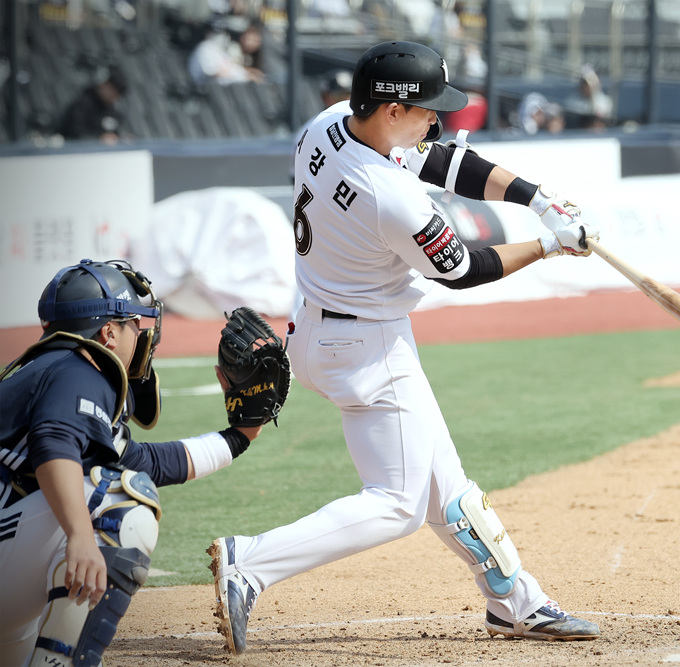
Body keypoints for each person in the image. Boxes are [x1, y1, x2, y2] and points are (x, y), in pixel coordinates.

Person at [208, 40, 601, 655]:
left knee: (445, 483)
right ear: (391, 111)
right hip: (367, 349)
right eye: (424, 108)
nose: (436, 119)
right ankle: (250, 563)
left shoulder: (331, 122)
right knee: (397, 504)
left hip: (317, 326)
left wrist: (536, 198)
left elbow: (440, 160)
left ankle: (515, 599)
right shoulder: (390, 198)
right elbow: (463, 269)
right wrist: (551, 245)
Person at [0, 259, 266, 666]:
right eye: (134, 326)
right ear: (108, 332)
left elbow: (141, 461)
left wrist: (238, 438)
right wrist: (79, 535)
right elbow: (53, 443)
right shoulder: (79, 371)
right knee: (122, 507)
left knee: (112, 482)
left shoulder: (47, 368)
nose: (141, 336)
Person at [58, 66, 128, 145]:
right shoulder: (82, 105)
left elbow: (114, 132)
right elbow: (75, 134)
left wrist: (122, 139)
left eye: (117, 95)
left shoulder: (112, 110)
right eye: (113, 91)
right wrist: (99, 139)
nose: (114, 97)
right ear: (105, 84)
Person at [564, 65, 613, 131]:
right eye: (585, 83)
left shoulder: (605, 101)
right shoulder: (571, 101)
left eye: (592, 82)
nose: (589, 86)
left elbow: (604, 121)